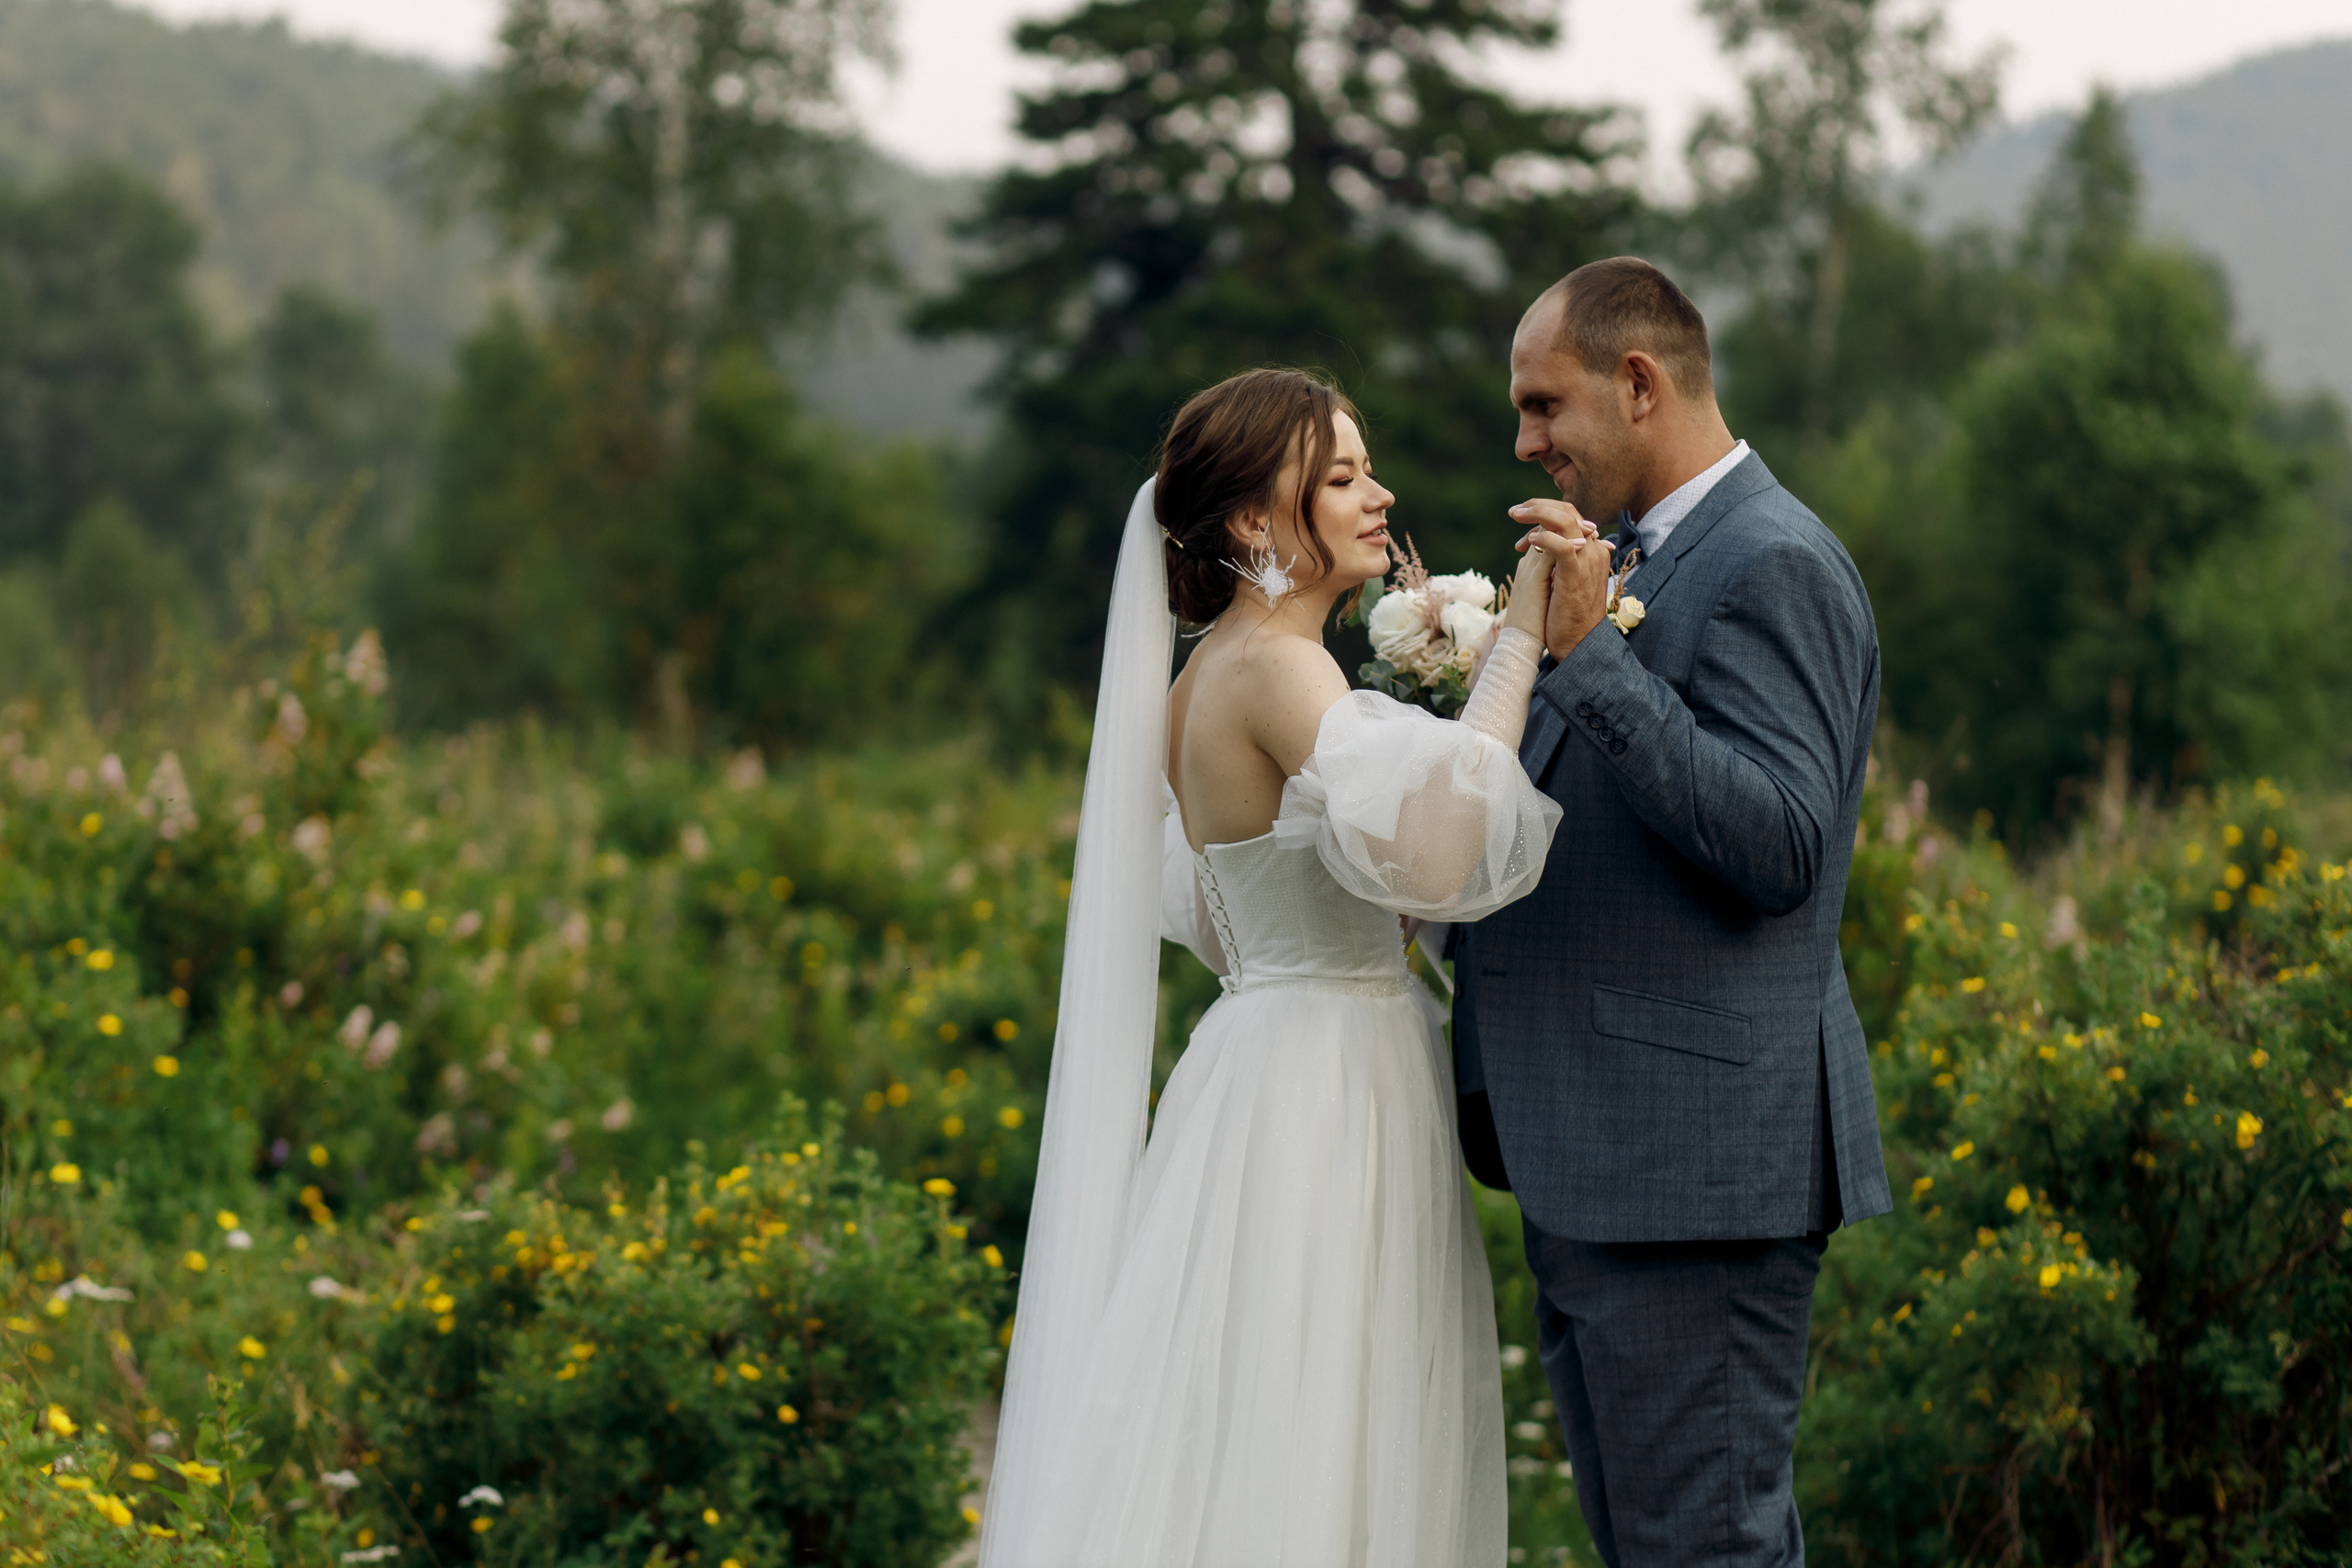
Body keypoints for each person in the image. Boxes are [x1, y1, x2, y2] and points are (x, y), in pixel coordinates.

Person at [979, 367, 1564, 1567]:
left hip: (1254, 1065)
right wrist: (1519, 643)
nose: (1377, 495)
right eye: (1341, 475)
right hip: (1329, 1087)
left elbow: (1211, 907)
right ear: (1254, 521)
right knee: (1328, 1407)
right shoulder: (1283, 667)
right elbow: (1449, 843)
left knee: (1249, 1403)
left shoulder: (1200, 679)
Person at [1450, 256, 1894, 1567]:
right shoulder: (1639, 557)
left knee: (1707, 1553)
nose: (1525, 439)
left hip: (1690, 1181)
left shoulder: (1774, 562)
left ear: (1638, 383)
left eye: (1544, 405)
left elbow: (1784, 843)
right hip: (1604, 1165)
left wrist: (1594, 660)